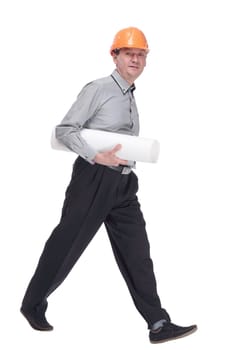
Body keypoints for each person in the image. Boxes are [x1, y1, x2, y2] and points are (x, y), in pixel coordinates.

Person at [20, 27, 197, 344]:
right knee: (67, 244)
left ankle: (158, 323)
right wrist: (94, 155)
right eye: (129, 53)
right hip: (93, 178)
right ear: (114, 56)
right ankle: (32, 304)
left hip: (124, 185)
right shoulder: (99, 89)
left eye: (141, 54)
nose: (136, 59)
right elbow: (64, 129)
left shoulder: (129, 94)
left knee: (138, 253)